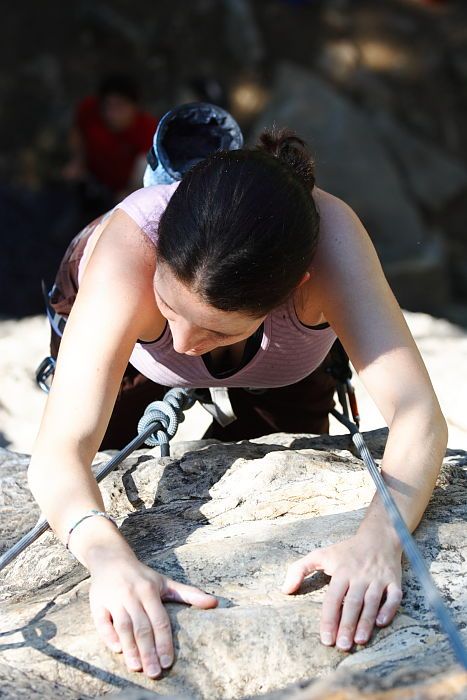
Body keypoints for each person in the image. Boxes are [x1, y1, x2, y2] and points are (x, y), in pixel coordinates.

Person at [28, 124, 448, 681]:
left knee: (280, 440)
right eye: (169, 308)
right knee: (105, 465)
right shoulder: (128, 250)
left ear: (297, 285)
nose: (181, 345)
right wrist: (110, 561)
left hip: (284, 358)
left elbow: (419, 416)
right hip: (130, 348)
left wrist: (378, 541)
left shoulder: (333, 248)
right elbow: (60, 452)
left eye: (214, 332)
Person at [63, 74, 158, 219]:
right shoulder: (88, 111)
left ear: (134, 107)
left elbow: (141, 169)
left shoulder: (147, 128)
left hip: (121, 195)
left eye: (120, 107)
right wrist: (77, 161)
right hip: (90, 182)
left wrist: (129, 195)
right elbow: (78, 133)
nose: (112, 114)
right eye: (108, 106)